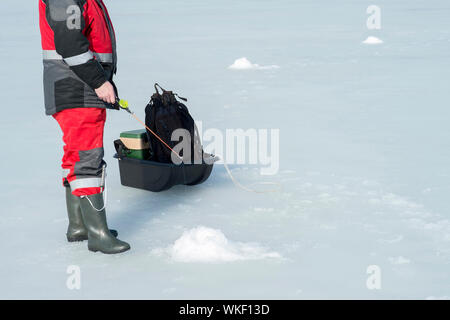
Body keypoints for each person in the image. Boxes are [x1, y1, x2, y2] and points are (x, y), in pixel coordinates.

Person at [39, 0, 130, 254]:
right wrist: (100, 82)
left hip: (78, 85)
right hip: (76, 86)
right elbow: (70, 45)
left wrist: (102, 81)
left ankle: (79, 226)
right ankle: (98, 235)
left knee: (76, 153)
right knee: (88, 158)